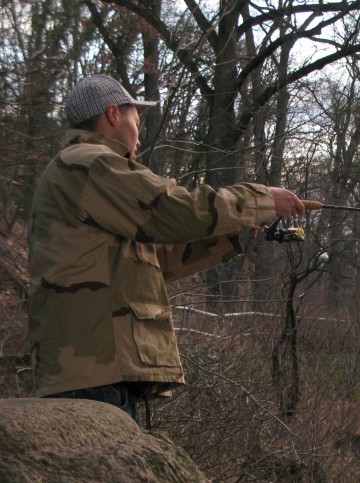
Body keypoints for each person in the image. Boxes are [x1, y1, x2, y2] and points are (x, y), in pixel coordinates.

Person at [28, 74, 305, 426]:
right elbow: (174, 211)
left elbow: (154, 262)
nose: (140, 136)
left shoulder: (85, 173)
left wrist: (228, 233)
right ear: (113, 114)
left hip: (96, 371)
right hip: (92, 375)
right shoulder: (89, 163)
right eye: (135, 120)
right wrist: (261, 200)